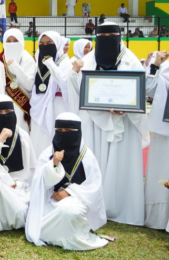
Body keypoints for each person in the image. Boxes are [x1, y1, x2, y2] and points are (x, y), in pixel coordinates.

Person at [69, 22, 146, 226]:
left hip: (124, 122)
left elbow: (138, 90)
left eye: (113, 35)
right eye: (103, 36)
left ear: (120, 37)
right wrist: (75, 74)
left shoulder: (131, 62)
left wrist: (125, 107)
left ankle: (121, 206)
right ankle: (93, 203)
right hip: (94, 121)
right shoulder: (87, 61)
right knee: (94, 160)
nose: (108, 39)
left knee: (121, 163)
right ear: (96, 39)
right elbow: (80, 91)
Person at [25, 113, 108, 251]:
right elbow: (38, 183)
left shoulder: (87, 156)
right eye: (60, 131)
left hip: (77, 200)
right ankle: (58, 234)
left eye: (69, 131)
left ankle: (60, 235)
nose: (64, 134)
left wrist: (69, 192)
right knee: (35, 226)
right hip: (49, 201)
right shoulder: (47, 153)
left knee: (68, 211)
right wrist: (53, 164)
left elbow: (94, 188)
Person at [0, 95, 37, 235]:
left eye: (7, 112)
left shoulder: (23, 136)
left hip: (18, 188)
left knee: (20, 212)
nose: (4, 116)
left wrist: (17, 184)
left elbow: (32, 171)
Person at [29, 31, 75, 155]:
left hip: (57, 106)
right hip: (39, 106)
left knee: (53, 137)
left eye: (49, 43)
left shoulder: (65, 62)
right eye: (42, 44)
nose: (45, 46)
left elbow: (65, 84)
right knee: (38, 137)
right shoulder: (39, 61)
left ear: (57, 44)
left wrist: (51, 65)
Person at [144, 51, 169, 229]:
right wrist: (156, 65)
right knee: (161, 169)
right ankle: (159, 219)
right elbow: (148, 89)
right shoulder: (165, 68)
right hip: (164, 131)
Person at [0, 29, 35, 133]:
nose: (12, 44)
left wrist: (16, 67)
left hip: (22, 106)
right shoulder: (1, 58)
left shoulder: (27, 59)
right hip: (4, 105)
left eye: (15, 41)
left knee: (21, 135)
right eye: (8, 41)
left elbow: (29, 85)